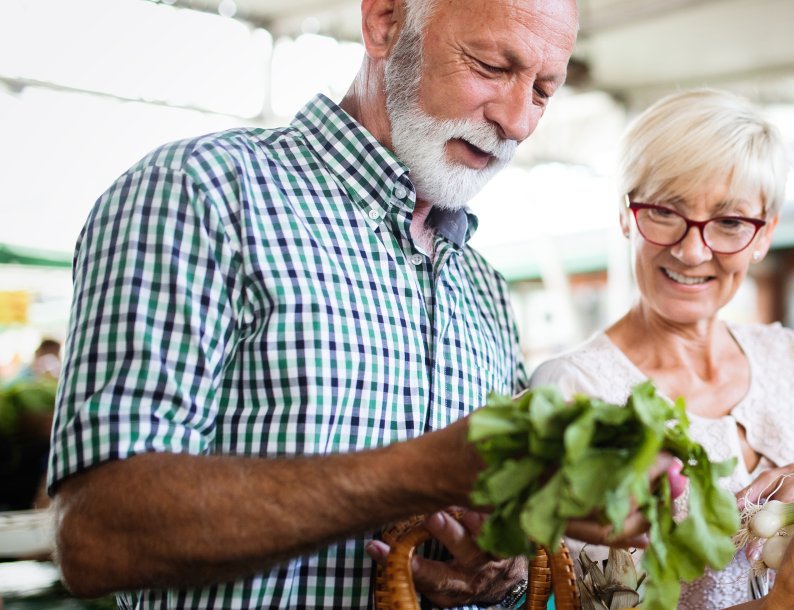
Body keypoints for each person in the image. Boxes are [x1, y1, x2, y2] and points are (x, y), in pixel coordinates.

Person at [47, 0, 637, 607]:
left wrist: (499, 565)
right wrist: (422, 471)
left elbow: (493, 532)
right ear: (384, 22)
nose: (517, 121)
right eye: (489, 65)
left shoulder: (481, 285)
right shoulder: (202, 193)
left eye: (543, 90)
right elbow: (97, 533)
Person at [529, 90, 794, 609]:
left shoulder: (787, 359)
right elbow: (606, 603)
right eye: (665, 211)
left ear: (764, 235)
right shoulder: (575, 390)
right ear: (625, 214)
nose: (692, 250)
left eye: (729, 223)